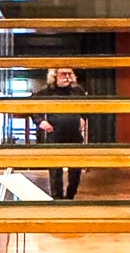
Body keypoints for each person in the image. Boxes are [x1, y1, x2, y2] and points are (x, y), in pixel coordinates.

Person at [35, 65, 89, 199]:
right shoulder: (47, 91)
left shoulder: (78, 90)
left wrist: (83, 117)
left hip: (74, 135)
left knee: (75, 171)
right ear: (54, 75)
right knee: (55, 171)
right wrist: (40, 121)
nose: (67, 77)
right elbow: (31, 106)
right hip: (55, 135)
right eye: (63, 74)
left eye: (69, 74)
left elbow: (88, 106)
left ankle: (70, 196)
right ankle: (57, 199)